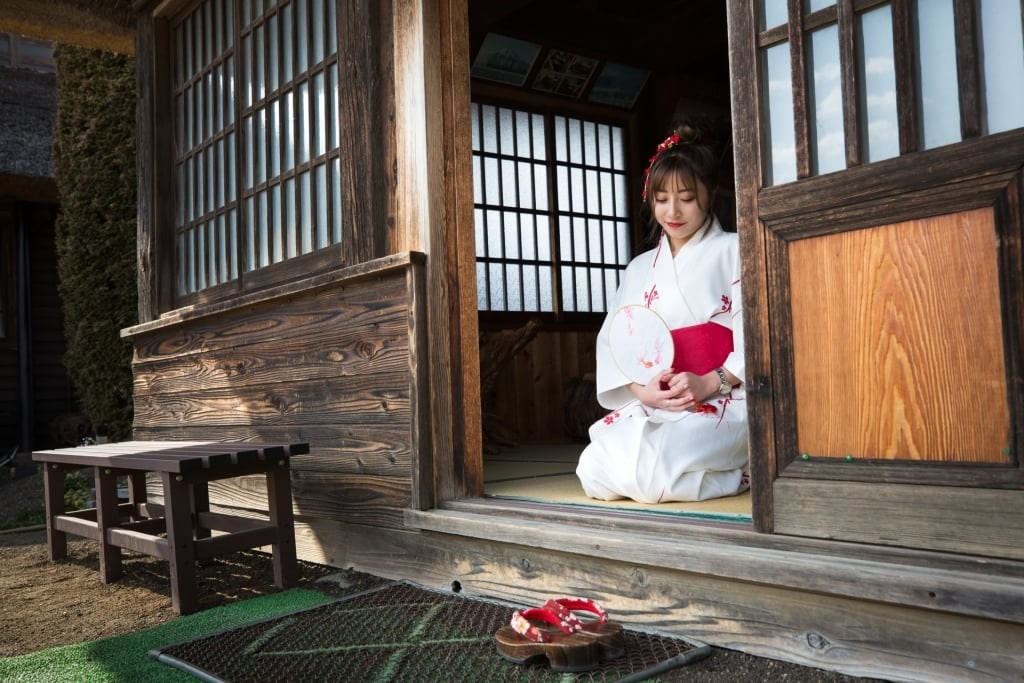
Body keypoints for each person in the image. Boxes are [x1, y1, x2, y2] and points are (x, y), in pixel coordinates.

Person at [575, 125, 748, 503]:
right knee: (594, 466)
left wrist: (710, 382)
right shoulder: (639, 267)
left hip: (726, 393)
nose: (672, 211)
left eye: (686, 197)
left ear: (709, 195)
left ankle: (740, 473)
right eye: (662, 198)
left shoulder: (735, 250)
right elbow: (614, 341)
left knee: (654, 467)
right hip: (660, 398)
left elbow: (759, 332)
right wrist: (642, 391)